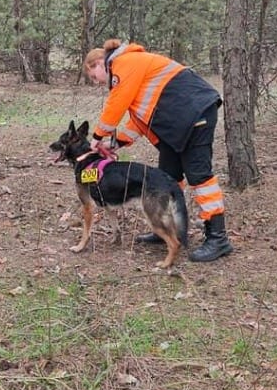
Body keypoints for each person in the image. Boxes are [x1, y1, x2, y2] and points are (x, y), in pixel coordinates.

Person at [83, 39, 234, 262]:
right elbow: (139, 121)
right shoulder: (129, 72)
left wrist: (97, 137)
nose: (98, 83)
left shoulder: (124, 63)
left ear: (97, 63)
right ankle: (166, 229)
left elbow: (117, 105)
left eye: (95, 77)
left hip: (194, 112)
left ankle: (218, 238)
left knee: (199, 176)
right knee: (168, 175)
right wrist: (114, 144)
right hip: (177, 124)